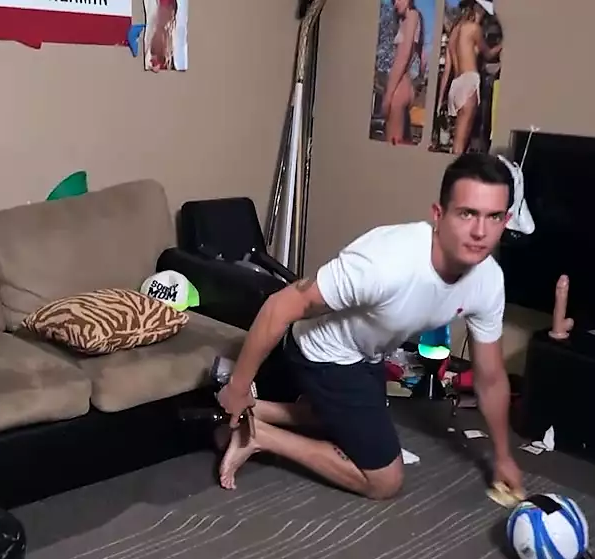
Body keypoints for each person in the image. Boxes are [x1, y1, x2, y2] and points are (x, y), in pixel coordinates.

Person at [214, 153, 525, 501]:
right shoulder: (385, 262)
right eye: (467, 214)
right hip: (322, 351)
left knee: (354, 420)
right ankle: (259, 435)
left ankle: (254, 411)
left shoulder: (488, 281)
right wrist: (239, 386)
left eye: (493, 217)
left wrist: (503, 457)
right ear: (439, 215)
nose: (480, 232)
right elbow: (280, 306)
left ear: (506, 220)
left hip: (368, 355)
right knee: (385, 480)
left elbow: (491, 377)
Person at [438, 1, 501, 154]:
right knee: (459, 148)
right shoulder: (473, 29)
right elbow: (488, 54)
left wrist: (440, 100)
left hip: (455, 86)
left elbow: (447, 70)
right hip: (469, 83)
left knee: (457, 141)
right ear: (480, 10)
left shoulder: (454, 33)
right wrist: (503, 45)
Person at [380, 0, 425, 145]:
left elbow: (403, 57)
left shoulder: (412, 15)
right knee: (402, 142)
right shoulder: (410, 19)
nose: (395, 4)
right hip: (404, 83)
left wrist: (388, 96)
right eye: (393, 1)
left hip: (399, 86)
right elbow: (421, 55)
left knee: (392, 144)